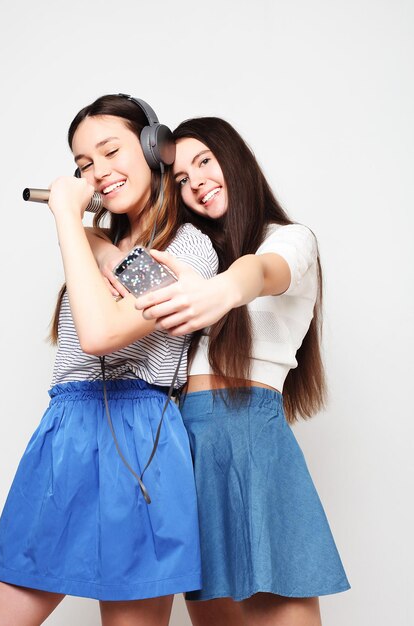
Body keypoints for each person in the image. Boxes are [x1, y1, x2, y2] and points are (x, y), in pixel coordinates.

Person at [0, 96, 218, 626]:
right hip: (68, 429)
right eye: (83, 165)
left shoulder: (191, 252)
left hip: (142, 443)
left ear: (152, 148)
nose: (97, 173)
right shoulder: (101, 245)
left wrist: (69, 223)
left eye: (110, 151)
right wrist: (93, 240)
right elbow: (115, 276)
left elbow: (102, 333)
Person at [131, 117, 351, 626]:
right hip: (183, 444)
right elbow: (124, 278)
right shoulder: (196, 257)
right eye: (181, 179)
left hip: (250, 437)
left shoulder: (290, 240)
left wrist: (226, 289)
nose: (195, 182)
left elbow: (263, 271)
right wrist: (95, 235)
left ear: (236, 160)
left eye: (204, 162)